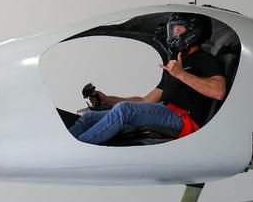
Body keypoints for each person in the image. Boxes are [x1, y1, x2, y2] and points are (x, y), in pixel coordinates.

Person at [69, 14, 227, 145]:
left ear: (194, 32)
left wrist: (181, 74)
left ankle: (74, 151)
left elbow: (218, 91)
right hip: (163, 111)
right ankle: (63, 145)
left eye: (179, 28)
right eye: (172, 29)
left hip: (183, 119)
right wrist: (108, 100)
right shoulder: (176, 63)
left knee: (125, 110)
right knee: (89, 118)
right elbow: (146, 101)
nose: (174, 33)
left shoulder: (206, 60)